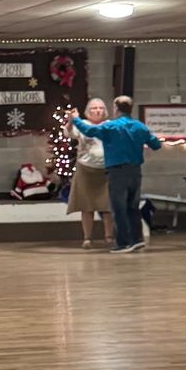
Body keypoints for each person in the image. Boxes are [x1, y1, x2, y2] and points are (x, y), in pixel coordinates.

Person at [69, 96, 161, 254]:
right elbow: (156, 144)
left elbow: (89, 131)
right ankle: (137, 240)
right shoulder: (140, 126)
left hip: (117, 171)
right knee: (133, 207)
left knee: (118, 208)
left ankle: (123, 243)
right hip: (135, 171)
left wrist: (75, 119)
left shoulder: (111, 127)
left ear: (116, 108)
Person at [65, 98, 113, 250]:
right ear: (88, 111)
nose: (97, 110)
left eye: (100, 108)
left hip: (106, 170)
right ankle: (87, 238)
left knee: (107, 206)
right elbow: (69, 133)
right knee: (87, 206)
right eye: (94, 108)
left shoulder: (110, 125)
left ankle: (109, 237)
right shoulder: (82, 124)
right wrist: (71, 120)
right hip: (86, 170)